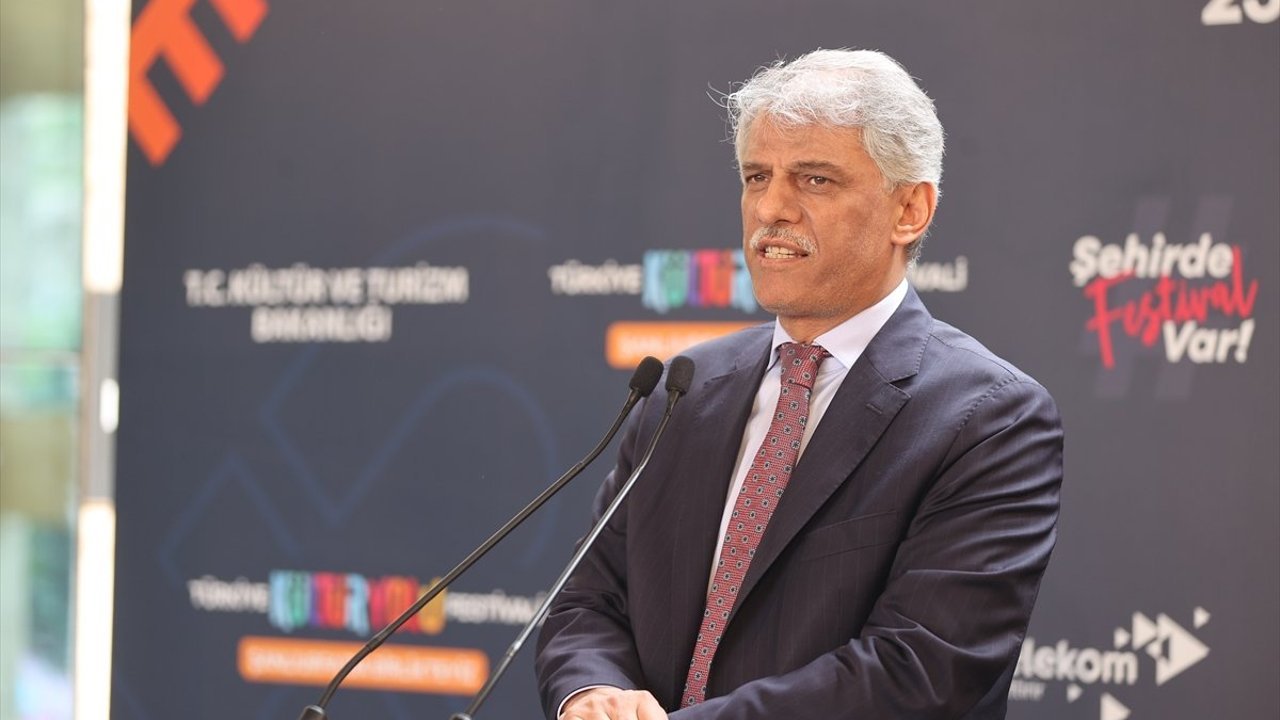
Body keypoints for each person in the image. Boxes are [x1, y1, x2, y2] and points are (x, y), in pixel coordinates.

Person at [534, 48, 1063, 720]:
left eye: (814, 179)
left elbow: (918, 671)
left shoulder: (989, 418)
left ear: (909, 209)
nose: (771, 208)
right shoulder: (685, 389)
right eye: (757, 176)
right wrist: (591, 693)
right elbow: (588, 600)